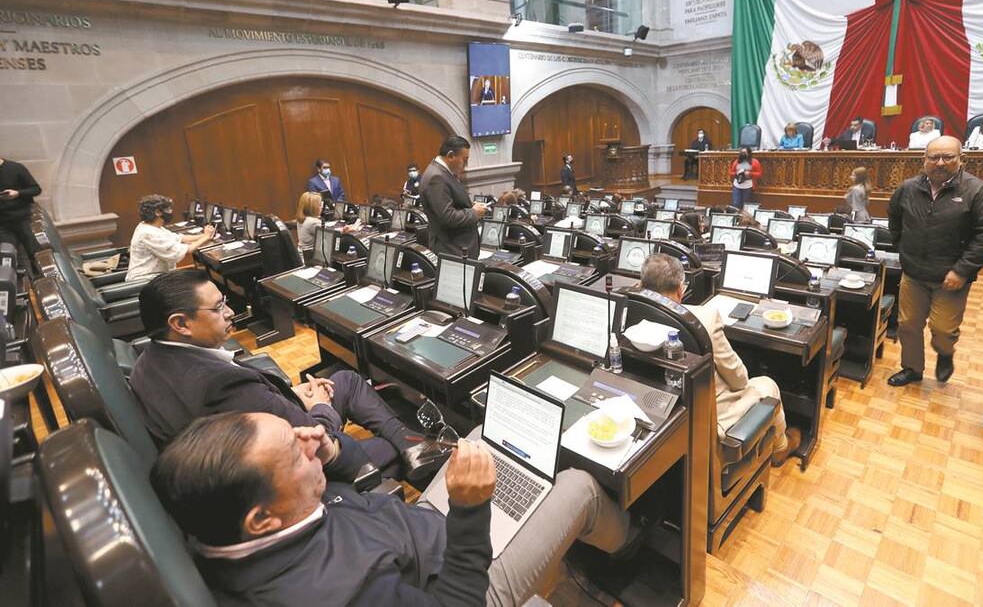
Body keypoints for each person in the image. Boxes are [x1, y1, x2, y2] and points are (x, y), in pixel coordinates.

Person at [152, 411, 632, 606]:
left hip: (416, 534)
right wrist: (468, 512)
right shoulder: (342, 594)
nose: (309, 438)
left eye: (295, 430)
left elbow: (350, 506)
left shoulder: (235, 526)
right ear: (262, 519)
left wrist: (328, 456)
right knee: (580, 487)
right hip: (466, 584)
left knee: (484, 438)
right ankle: (630, 549)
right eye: (294, 450)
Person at [129, 270, 435, 482]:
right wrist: (321, 407)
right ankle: (410, 458)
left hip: (248, 440)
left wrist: (293, 395)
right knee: (386, 451)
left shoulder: (150, 358)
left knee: (347, 380)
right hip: (284, 471)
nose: (230, 312)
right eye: (218, 307)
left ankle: (413, 444)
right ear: (181, 323)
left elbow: (254, 405)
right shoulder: (219, 384)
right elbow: (315, 438)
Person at [640, 254, 798, 465]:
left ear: (642, 284)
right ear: (680, 289)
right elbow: (740, 380)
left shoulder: (631, 313)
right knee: (768, 385)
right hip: (713, 417)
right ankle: (781, 448)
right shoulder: (705, 318)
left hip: (661, 406)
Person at [886, 136, 983, 387]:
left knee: (942, 330)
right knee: (908, 325)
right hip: (913, 273)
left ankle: (945, 353)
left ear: (961, 159)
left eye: (948, 157)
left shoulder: (977, 191)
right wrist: (904, 251)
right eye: (934, 157)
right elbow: (894, 222)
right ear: (924, 160)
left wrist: (962, 270)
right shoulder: (907, 188)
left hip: (951, 277)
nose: (940, 163)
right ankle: (912, 369)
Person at [419, 135, 487, 258]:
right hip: (452, 250)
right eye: (464, 160)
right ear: (451, 156)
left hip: (455, 248)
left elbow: (450, 205)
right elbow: (448, 217)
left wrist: (471, 206)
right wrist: (474, 213)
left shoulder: (442, 173)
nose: (465, 165)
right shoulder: (437, 177)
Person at [125, 194, 215, 281]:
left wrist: (204, 235)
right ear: (157, 212)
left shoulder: (150, 226)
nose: (171, 212)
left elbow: (180, 238)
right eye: (168, 209)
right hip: (146, 281)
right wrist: (206, 237)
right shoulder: (148, 233)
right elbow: (184, 251)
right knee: (197, 280)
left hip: (157, 276)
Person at [0, 156, 42, 268]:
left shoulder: (16, 168)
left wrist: (17, 193)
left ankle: (39, 277)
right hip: (2, 222)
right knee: (8, 254)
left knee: (32, 252)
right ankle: (21, 280)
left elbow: (36, 189)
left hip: (22, 218)